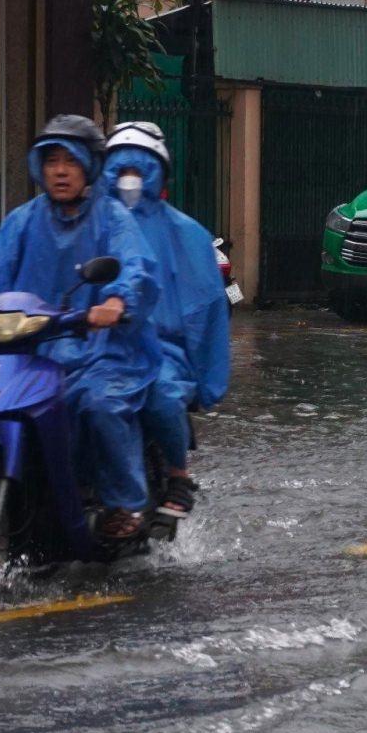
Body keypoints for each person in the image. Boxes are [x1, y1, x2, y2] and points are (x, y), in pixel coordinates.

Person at [0, 116, 161, 540]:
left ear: (89, 167)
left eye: (70, 162)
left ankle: (124, 503)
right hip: (28, 347)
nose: (59, 170)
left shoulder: (113, 217)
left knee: (97, 404)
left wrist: (115, 301)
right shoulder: (23, 220)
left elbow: (136, 267)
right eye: (51, 160)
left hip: (103, 347)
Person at [100, 121, 230, 519]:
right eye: (121, 171)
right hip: (91, 342)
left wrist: (204, 377)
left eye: (138, 171)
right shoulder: (84, 221)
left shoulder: (185, 232)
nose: (129, 181)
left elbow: (205, 306)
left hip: (159, 348)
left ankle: (178, 474)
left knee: (161, 397)